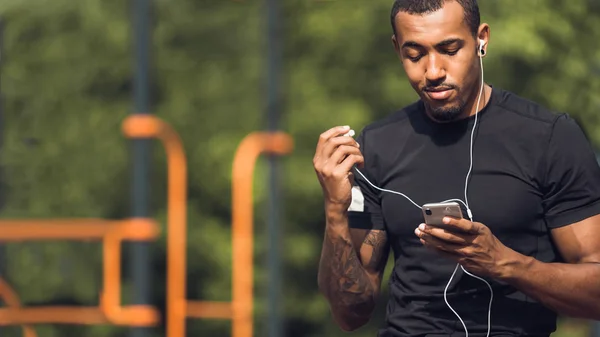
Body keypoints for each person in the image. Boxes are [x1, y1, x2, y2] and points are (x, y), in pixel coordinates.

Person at [313, 0, 600, 336]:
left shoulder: (549, 137)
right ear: (396, 49)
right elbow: (351, 315)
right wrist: (335, 210)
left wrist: (505, 264)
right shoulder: (376, 146)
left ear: (482, 39)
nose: (433, 71)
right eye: (415, 54)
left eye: (449, 49)